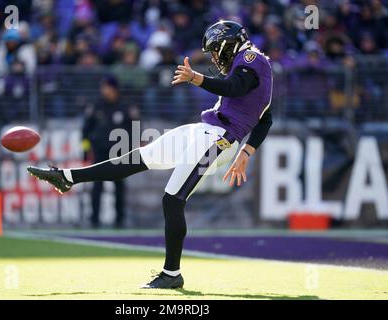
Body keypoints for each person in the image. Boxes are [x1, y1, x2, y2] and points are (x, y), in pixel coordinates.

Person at [27, 20, 273, 289]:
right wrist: (247, 152)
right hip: (206, 131)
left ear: (229, 44)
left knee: (173, 199)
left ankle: (171, 274)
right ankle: (67, 177)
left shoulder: (252, 58)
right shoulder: (253, 64)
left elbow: (235, 88)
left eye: (216, 50)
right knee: (136, 158)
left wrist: (197, 79)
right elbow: (265, 118)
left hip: (220, 139)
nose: (214, 57)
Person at [82, 76, 135, 228]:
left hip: (120, 153)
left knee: (119, 186)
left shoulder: (125, 107)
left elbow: (134, 129)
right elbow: (85, 130)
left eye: (107, 87)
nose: (104, 91)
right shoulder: (96, 106)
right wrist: (86, 151)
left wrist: (132, 151)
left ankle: (120, 219)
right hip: (100, 152)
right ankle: (94, 219)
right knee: (97, 186)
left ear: (115, 89)